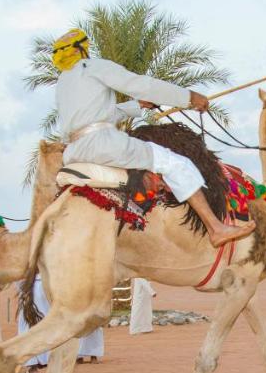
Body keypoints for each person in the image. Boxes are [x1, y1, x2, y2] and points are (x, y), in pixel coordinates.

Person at [51, 28, 255, 248]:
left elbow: (96, 115)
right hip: (103, 144)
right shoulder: (94, 66)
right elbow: (141, 85)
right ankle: (216, 228)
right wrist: (188, 97)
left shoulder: (64, 82)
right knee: (175, 163)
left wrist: (137, 106)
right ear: (83, 48)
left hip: (73, 150)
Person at [18, 277, 104, 373]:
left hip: (31, 287)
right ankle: (52, 362)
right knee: (48, 325)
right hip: (48, 287)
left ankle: (33, 367)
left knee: (28, 326)